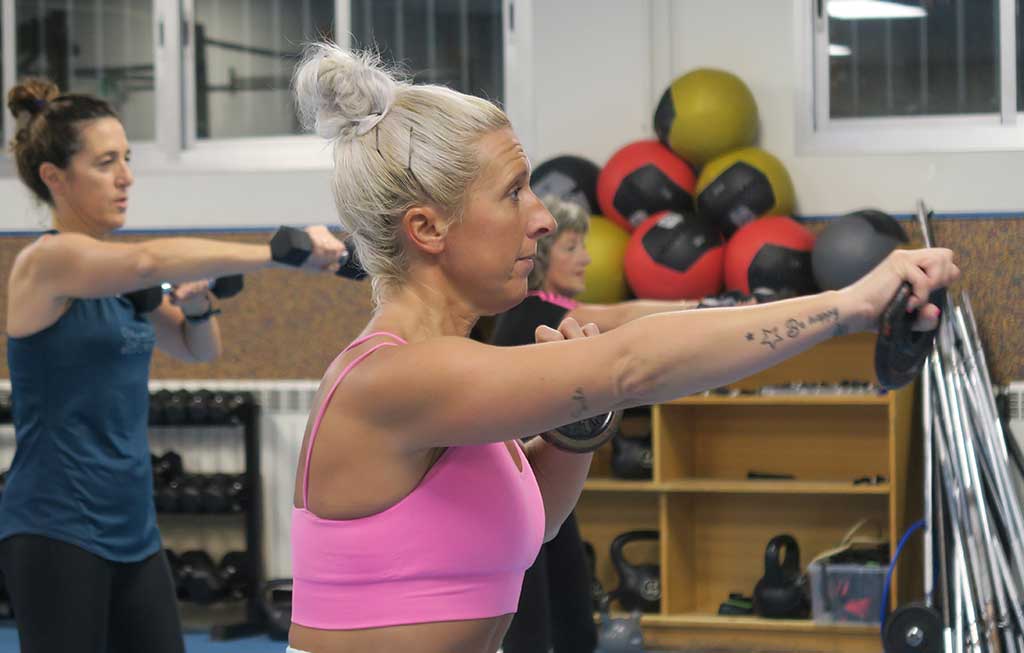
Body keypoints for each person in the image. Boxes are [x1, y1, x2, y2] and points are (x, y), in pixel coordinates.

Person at [286, 43, 957, 653]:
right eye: (515, 193)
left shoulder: (453, 381)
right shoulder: (394, 377)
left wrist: (578, 431)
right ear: (428, 227)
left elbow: (537, 521)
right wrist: (850, 304)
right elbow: (631, 361)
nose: (543, 218)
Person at [0, 78, 347, 653]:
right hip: (55, 526)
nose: (126, 177)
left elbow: (197, 349)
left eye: (128, 159)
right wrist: (281, 252)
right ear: (54, 178)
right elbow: (149, 257)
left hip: (131, 524)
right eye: (106, 162)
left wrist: (196, 305)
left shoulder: (122, 284)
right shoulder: (48, 263)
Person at [492, 194, 718, 653]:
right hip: (512, 489)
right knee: (531, 627)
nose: (587, 258)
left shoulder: (554, 310)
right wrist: (708, 307)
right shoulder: (533, 310)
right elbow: (620, 319)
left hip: (546, 487)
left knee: (575, 617)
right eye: (572, 247)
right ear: (541, 255)